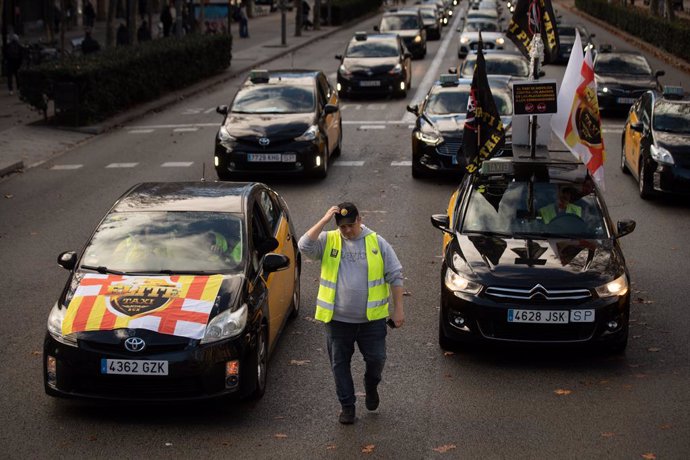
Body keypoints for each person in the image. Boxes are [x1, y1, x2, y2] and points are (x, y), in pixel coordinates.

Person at [298, 203, 405, 425]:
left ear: (359, 219)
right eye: (342, 226)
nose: (346, 230)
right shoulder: (329, 239)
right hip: (338, 321)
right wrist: (325, 219)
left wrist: (398, 310)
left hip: (371, 321)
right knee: (340, 366)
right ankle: (347, 407)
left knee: (377, 360)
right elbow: (304, 246)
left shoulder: (376, 242)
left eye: (350, 225)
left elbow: (395, 275)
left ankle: (371, 385)